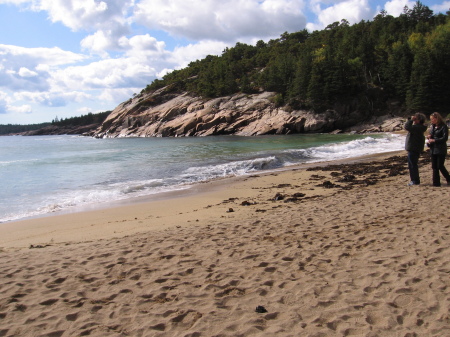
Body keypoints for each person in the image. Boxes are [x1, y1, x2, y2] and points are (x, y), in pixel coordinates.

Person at [427, 112, 450, 187]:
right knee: (434, 167)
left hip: (440, 149)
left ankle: (448, 179)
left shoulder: (443, 127)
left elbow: (445, 138)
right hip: (433, 149)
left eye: (432, 119)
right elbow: (431, 136)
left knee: (440, 165)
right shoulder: (433, 127)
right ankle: (436, 183)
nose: (431, 121)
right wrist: (429, 137)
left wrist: (435, 140)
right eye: (431, 119)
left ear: (437, 118)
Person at [404, 113, 427, 186]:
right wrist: (410, 120)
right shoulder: (419, 127)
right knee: (412, 165)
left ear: (419, 120)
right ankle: (414, 180)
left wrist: (410, 120)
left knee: (413, 165)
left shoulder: (418, 127)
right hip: (414, 148)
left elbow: (407, 127)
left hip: (414, 148)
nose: (414, 120)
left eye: (415, 119)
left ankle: (415, 180)